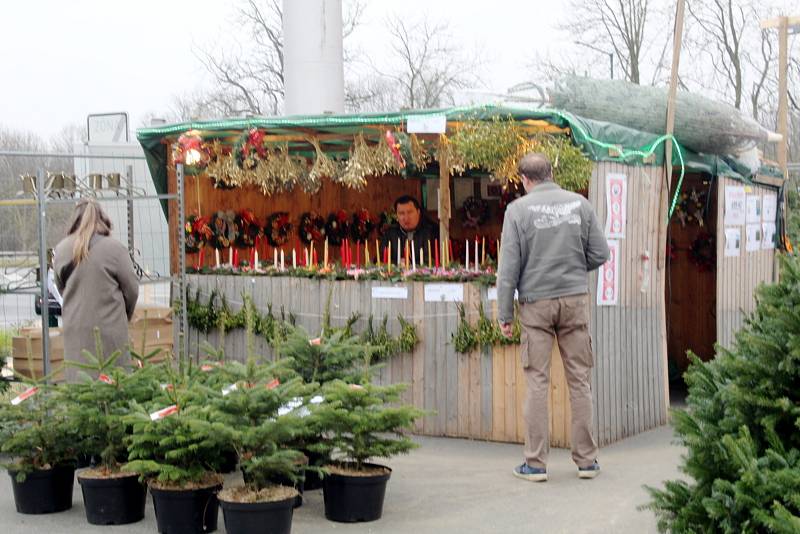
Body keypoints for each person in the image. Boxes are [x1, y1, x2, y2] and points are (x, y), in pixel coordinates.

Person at [497, 152, 609, 482]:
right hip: (575, 300)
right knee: (580, 380)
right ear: (551, 173)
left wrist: (505, 313)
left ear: (524, 179)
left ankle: (535, 464)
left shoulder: (517, 211)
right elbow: (601, 252)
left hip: (536, 304)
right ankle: (587, 461)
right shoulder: (580, 204)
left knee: (537, 382)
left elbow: (508, 270)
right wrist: (574, 269)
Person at [53, 199, 139, 376]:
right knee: (115, 385)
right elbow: (132, 289)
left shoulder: (61, 250)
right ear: (103, 219)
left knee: (80, 385)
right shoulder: (115, 249)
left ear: (73, 221)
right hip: (110, 331)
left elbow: (61, 288)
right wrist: (124, 315)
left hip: (75, 333)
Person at [380, 195, 439, 262]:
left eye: (410, 212)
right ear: (396, 215)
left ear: (418, 212)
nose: (406, 218)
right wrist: (397, 264)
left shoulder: (432, 232)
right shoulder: (390, 234)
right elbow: (381, 260)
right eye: (401, 213)